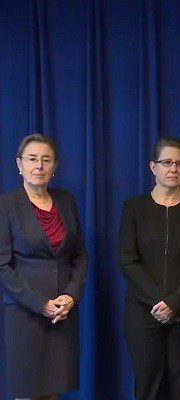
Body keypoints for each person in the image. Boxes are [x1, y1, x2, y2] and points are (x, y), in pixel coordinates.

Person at [118, 137, 180, 400]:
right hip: (143, 312)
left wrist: (175, 303)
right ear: (153, 167)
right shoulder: (134, 208)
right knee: (148, 385)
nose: (173, 169)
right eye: (166, 162)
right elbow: (127, 259)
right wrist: (160, 302)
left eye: (179, 164)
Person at [0, 133, 87, 399]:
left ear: (54, 166)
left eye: (46, 160)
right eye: (32, 159)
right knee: (27, 392)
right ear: (19, 164)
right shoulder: (6, 205)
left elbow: (80, 255)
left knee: (54, 391)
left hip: (62, 314)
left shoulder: (66, 201)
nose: (39, 165)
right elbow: (2, 266)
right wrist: (40, 304)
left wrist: (71, 295)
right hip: (25, 314)